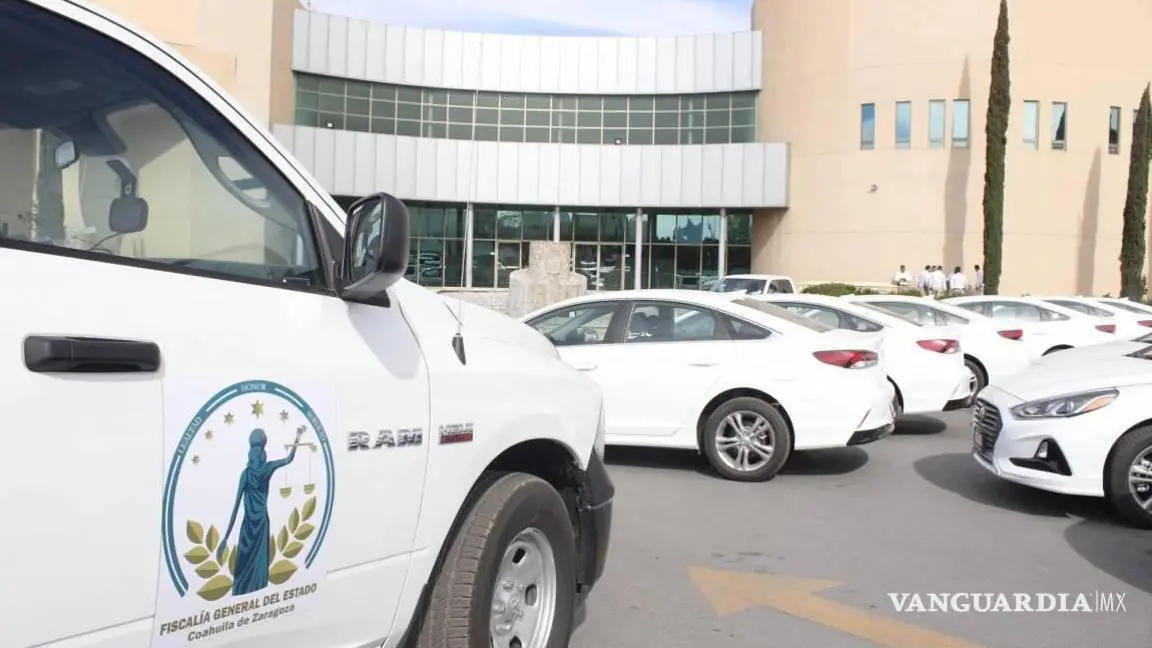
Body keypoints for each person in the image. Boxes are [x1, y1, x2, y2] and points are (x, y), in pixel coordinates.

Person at [217, 427, 304, 595]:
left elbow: (235, 509)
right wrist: (297, 438)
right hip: (262, 525)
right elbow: (289, 459)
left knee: (243, 567)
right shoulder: (268, 468)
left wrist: (225, 538)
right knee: (258, 567)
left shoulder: (246, 474)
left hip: (248, 527)